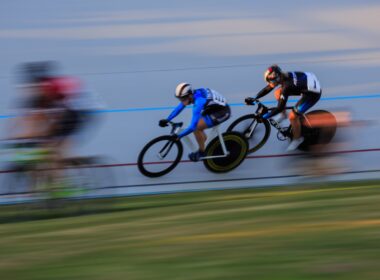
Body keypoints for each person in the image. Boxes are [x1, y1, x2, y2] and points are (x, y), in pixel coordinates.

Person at [245, 65, 322, 151]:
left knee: (293, 116)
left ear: (277, 79)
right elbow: (269, 87)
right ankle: (283, 115)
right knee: (277, 92)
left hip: (312, 94)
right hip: (306, 84)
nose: (269, 84)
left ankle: (297, 139)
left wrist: (264, 117)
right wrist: (255, 98)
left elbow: (279, 108)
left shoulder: (287, 86)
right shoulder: (283, 76)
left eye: (271, 81)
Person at [159, 83, 231, 161]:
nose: (182, 101)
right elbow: (179, 108)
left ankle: (202, 152)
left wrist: (179, 136)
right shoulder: (191, 95)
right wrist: (167, 119)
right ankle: (206, 144)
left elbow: (193, 127)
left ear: (190, 95)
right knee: (198, 123)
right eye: (180, 99)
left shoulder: (199, 101)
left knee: (196, 127)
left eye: (183, 99)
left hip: (222, 112)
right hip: (213, 108)